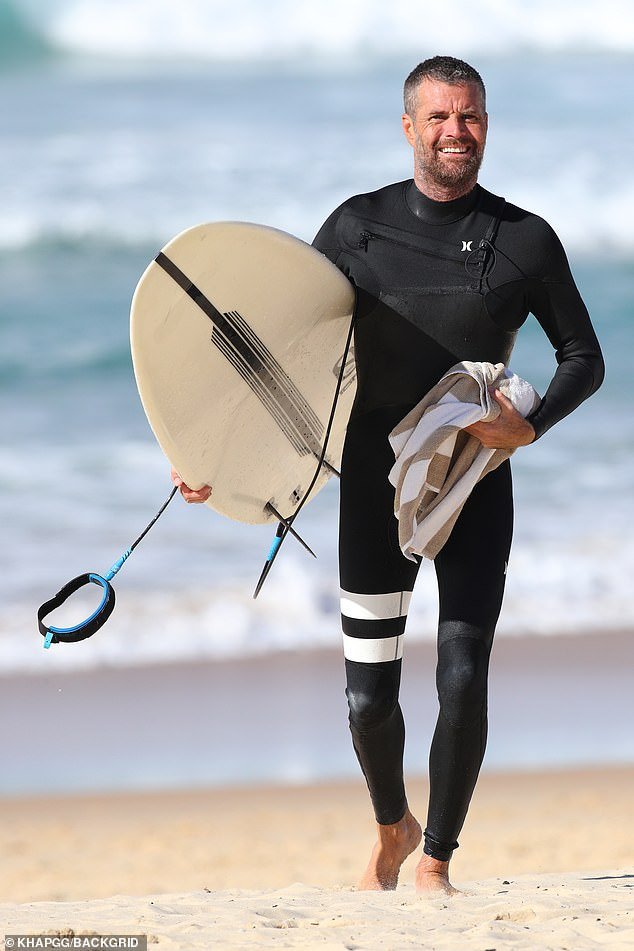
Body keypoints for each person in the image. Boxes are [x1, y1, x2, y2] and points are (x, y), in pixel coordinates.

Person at [173, 56, 604, 895]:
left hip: (473, 480)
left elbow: (583, 358)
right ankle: (393, 824)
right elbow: (280, 356)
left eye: (471, 116)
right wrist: (215, 459)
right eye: (439, 117)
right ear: (408, 126)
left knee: (463, 674)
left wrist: (529, 423)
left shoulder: (526, 240)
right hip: (374, 482)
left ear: (487, 122)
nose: (456, 133)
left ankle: (437, 856)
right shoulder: (355, 230)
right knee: (369, 701)